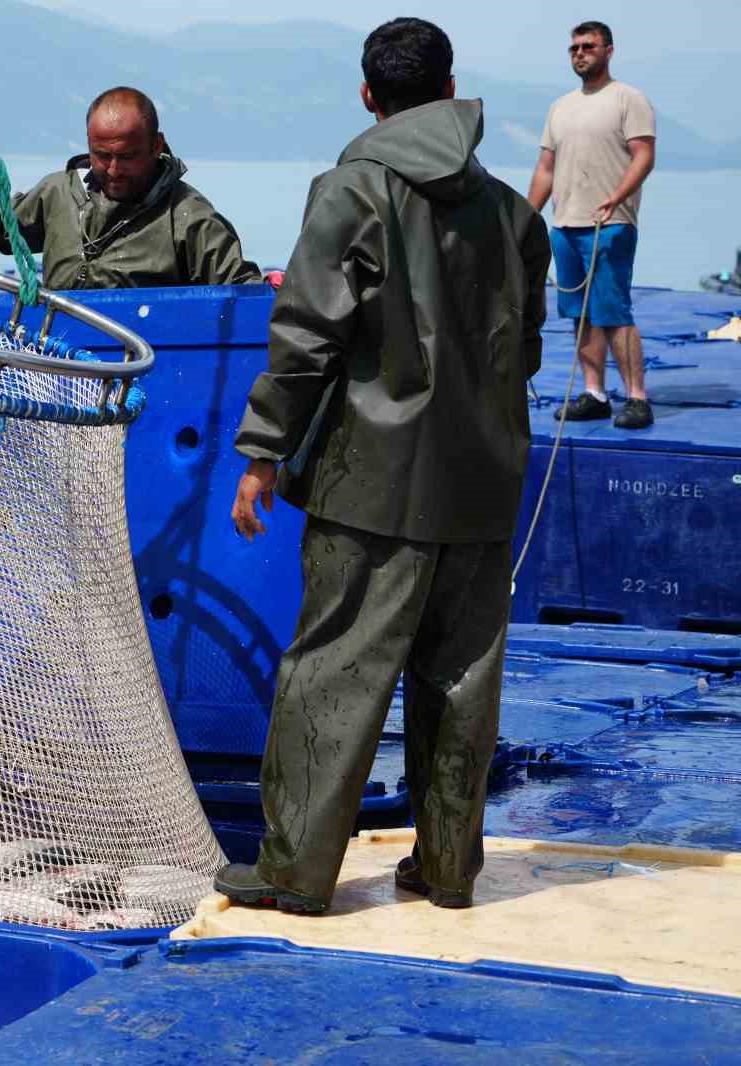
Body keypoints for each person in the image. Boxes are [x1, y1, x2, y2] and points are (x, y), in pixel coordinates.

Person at [214, 18, 550, 914]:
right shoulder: (514, 214)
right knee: (463, 677)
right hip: (483, 485)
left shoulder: (351, 190)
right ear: (450, 89)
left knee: (333, 669)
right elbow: (525, 351)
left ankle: (293, 873)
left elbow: (305, 339)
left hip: (371, 481)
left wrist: (261, 453)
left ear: (369, 95)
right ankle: (447, 870)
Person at [0, 86, 262, 289]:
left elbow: (238, 290)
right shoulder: (59, 193)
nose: (113, 169)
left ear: (157, 146)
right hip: (66, 370)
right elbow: (5, 228)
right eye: (101, 155)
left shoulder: (188, 216)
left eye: (128, 156)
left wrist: (272, 292)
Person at [527, 20, 657, 430]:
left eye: (589, 46)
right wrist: (525, 218)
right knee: (579, 314)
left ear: (608, 51)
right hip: (564, 224)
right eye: (574, 48)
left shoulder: (627, 99)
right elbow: (546, 169)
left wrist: (618, 196)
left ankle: (636, 397)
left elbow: (643, 155)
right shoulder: (560, 107)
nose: (580, 53)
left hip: (610, 222)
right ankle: (594, 392)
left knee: (613, 310)